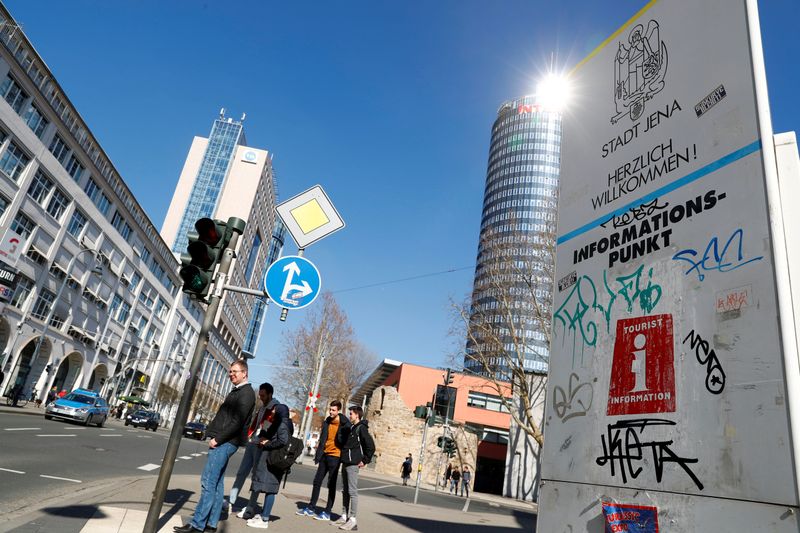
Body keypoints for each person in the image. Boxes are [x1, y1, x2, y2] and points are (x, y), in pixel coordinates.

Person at [174, 360, 255, 533]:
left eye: (235, 371)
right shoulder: (239, 391)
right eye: (230, 371)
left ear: (244, 373)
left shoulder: (246, 393)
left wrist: (217, 439)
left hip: (225, 442)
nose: (231, 374)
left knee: (208, 483)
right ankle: (211, 525)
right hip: (225, 441)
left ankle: (197, 524)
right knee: (216, 485)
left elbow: (237, 422)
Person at [296, 400, 351, 521]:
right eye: (330, 410)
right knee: (317, 481)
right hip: (324, 455)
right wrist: (319, 452)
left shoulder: (345, 423)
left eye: (333, 410)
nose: (331, 412)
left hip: (335, 456)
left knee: (331, 484)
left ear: (339, 411)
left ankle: (327, 512)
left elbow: (347, 441)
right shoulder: (327, 421)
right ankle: (311, 508)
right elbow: (323, 438)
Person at [228, 382, 277, 519]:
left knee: (256, 477)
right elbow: (256, 423)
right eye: (259, 395)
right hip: (252, 443)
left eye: (263, 395)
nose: (260, 397)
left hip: (261, 446)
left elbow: (272, 428)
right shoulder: (262, 407)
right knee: (241, 473)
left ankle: (250, 507)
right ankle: (231, 501)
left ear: (270, 394)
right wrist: (249, 436)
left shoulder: (275, 407)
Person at [245, 403, 294, 529]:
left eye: (274, 410)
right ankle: (263, 515)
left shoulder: (282, 424)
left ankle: (265, 519)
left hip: (274, 460)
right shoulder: (282, 422)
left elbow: (282, 441)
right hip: (272, 459)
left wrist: (267, 444)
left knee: (271, 488)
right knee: (269, 487)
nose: (272, 411)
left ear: (279, 412)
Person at [333, 405, 375, 531]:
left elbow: (371, 446)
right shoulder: (352, 427)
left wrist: (365, 460)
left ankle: (353, 520)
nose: (349, 415)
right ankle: (344, 516)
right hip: (345, 462)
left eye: (351, 413)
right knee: (345, 491)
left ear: (357, 415)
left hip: (353, 464)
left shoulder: (361, 428)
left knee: (352, 492)